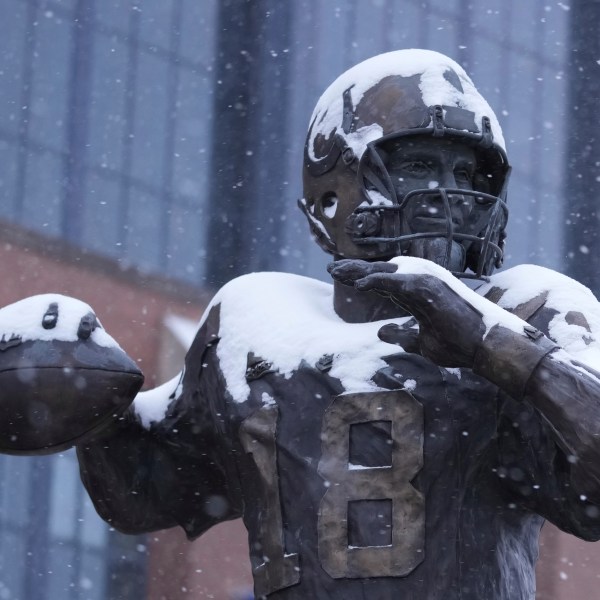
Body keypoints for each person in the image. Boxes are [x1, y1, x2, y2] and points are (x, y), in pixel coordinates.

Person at [9, 49, 600, 599]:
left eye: (468, 176)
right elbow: (146, 493)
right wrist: (90, 406)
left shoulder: (529, 309)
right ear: (335, 192)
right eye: (421, 165)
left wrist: (498, 348)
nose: (453, 194)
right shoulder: (253, 323)